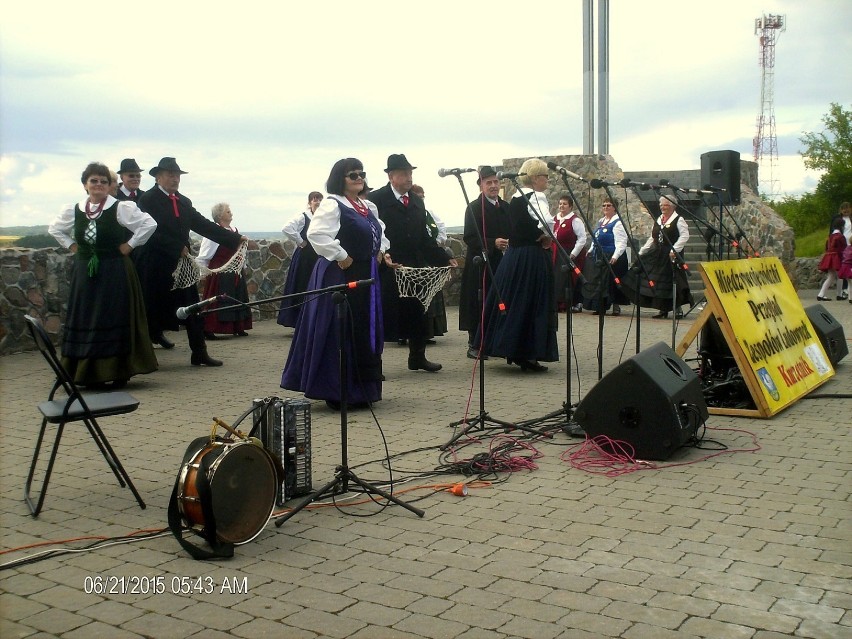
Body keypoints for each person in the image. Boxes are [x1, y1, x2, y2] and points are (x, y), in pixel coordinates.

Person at [281, 158, 388, 408]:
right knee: (339, 330)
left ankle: (363, 389)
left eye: (361, 174)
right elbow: (316, 234)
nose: (359, 178)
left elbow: (379, 231)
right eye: (353, 175)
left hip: (365, 274)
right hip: (341, 273)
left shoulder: (366, 205)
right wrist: (340, 255)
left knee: (363, 328)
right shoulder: (333, 205)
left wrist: (381, 249)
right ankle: (337, 391)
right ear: (341, 179)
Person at [48, 162, 158, 387]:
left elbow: (149, 224)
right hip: (85, 274)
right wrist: (72, 246)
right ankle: (86, 372)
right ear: (85, 185)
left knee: (113, 315)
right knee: (87, 316)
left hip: (115, 272)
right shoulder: (75, 210)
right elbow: (55, 229)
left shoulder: (120, 208)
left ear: (110, 186)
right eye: (93, 181)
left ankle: (118, 371)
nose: (98, 185)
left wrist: (130, 245)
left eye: (103, 181)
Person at [134, 157, 246, 366]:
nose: (175, 178)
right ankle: (143, 358)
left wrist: (234, 238)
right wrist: (175, 247)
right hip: (154, 264)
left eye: (177, 175)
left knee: (192, 308)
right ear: (158, 177)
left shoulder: (184, 201)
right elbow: (147, 231)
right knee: (151, 310)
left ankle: (199, 352)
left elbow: (202, 225)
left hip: (181, 265)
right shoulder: (147, 200)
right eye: (170, 174)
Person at [367, 153, 456, 373]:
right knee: (383, 316)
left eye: (410, 173)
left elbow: (424, 238)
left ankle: (417, 357)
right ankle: (374, 366)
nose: (409, 177)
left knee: (418, 313)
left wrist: (444, 257)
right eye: (404, 173)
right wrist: (382, 255)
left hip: (413, 269)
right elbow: (371, 233)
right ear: (391, 176)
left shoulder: (416, 201)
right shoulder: (376, 200)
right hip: (387, 267)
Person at [478, 158, 558, 372]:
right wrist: (547, 237)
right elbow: (547, 223)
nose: (547, 181)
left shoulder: (515, 198)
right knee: (532, 302)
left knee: (514, 301)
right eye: (544, 177)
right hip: (531, 257)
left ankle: (511, 347)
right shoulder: (536, 196)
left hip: (514, 258)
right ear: (534, 178)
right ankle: (528, 354)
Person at [458, 166, 510, 358]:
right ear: (481, 185)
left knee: (498, 302)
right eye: (489, 183)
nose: (494, 186)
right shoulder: (473, 208)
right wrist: (492, 243)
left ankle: (494, 342)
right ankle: (475, 343)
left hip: (502, 263)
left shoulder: (506, 207)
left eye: (496, 182)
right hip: (480, 263)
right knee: (478, 302)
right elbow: (470, 237)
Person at [627, 195, 692, 319]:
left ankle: (677, 308)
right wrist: (642, 251)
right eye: (661, 205)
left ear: (672, 206)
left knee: (673, 280)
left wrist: (675, 249)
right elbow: (653, 237)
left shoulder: (679, 219)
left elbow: (684, 236)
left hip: (671, 254)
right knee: (658, 282)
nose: (663, 207)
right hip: (658, 254)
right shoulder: (659, 219)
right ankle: (663, 309)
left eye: (666, 205)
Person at [196, 203, 253, 339]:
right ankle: (209, 328)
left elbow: (239, 252)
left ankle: (237, 326)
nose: (231, 214)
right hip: (219, 270)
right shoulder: (215, 232)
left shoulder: (234, 230)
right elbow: (205, 254)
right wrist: (203, 273)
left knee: (237, 296)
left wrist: (242, 267)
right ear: (220, 215)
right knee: (218, 297)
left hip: (234, 269)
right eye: (228, 212)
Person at [277, 191, 323, 328]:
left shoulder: (322, 218)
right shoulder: (303, 217)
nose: (318, 202)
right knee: (301, 286)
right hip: (305, 258)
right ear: (309, 202)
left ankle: (314, 320)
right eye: (315, 199)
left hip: (317, 257)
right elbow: (287, 228)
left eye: (320, 199)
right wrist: (300, 241)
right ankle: (298, 321)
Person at [411, 183, 447, 340]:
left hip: (430, 258)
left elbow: (441, 230)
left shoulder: (428, 213)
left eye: (422, 196)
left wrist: (436, 244)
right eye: (418, 196)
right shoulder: (410, 214)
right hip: (413, 261)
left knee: (432, 295)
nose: (421, 199)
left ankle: (431, 331)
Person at [581, 196, 629, 316]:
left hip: (611, 255)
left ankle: (615, 306)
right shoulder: (601, 221)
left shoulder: (618, 223)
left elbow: (621, 241)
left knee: (612, 282)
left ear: (615, 208)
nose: (606, 207)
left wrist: (616, 255)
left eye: (609, 205)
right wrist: (591, 249)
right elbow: (595, 237)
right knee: (599, 282)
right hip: (600, 256)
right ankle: (600, 306)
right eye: (604, 205)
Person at [552, 194, 587, 313]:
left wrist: (573, 254)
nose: (562, 206)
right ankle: (555, 302)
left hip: (568, 253)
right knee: (555, 278)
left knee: (564, 278)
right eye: (560, 203)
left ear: (570, 206)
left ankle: (564, 303)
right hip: (555, 252)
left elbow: (582, 239)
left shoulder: (575, 220)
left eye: (565, 204)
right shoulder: (554, 219)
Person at [816, 217, 848, 301]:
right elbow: (843, 249)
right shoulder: (841, 237)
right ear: (842, 226)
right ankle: (839, 294)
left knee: (830, 276)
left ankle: (821, 294)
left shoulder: (830, 236)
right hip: (836, 257)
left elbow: (827, 247)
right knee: (840, 276)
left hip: (828, 257)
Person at [831, 201, 851, 299]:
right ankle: (844, 289)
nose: (846, 210)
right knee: (845, 267)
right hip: (842, 245)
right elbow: (832, 233)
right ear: (840, 210)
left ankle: (848, 290)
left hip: (850, 244)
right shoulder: (837, 219)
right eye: (844, 208)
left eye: (847, 208)